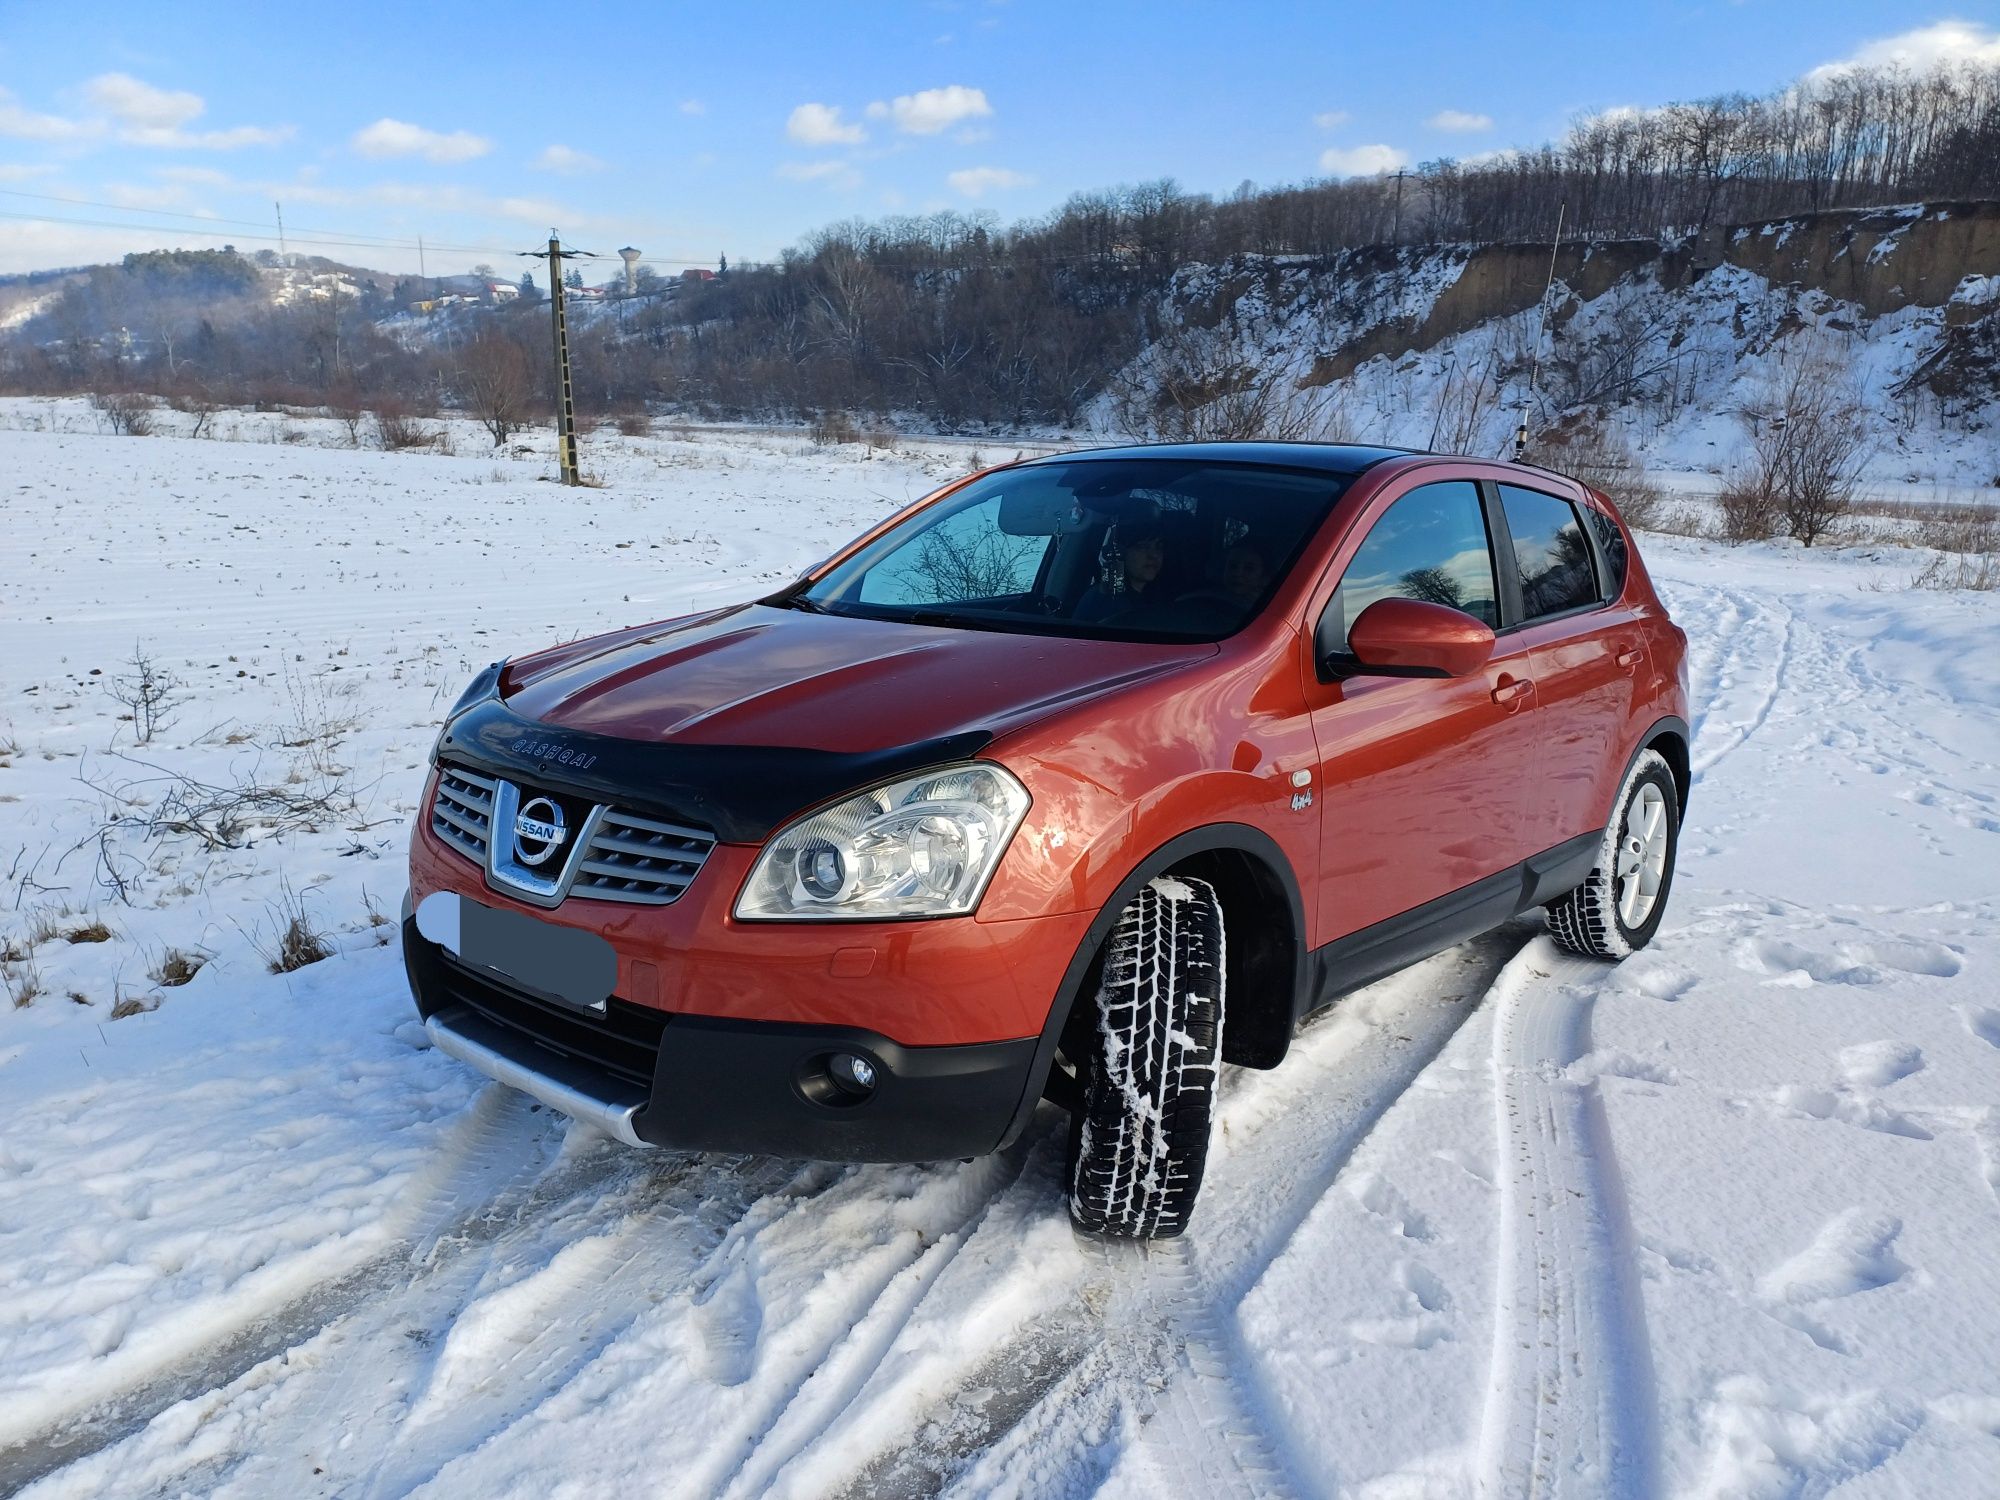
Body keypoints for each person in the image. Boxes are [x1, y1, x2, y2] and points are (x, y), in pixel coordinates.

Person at [1076, 523, 1167, 623]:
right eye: (1142, 546)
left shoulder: (1160, 600)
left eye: (1159, 546)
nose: (1154, 555)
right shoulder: (1107, 601)